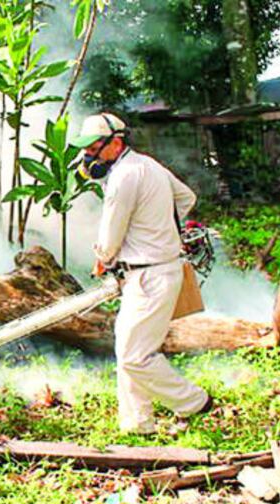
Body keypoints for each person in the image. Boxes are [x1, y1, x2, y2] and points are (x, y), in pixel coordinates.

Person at [71, 112, 212, 434]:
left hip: (150, 274)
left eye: (93, 149)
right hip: (151, 270)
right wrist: (159, 224)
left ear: (116, 143)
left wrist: (104, 259)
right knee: (128, 348)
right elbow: (186, 198)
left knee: (136, 356)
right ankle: (137, 423)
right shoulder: (148, 165)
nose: (88, 156)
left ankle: (193, 402)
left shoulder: (124, 178)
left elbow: (111, 232)